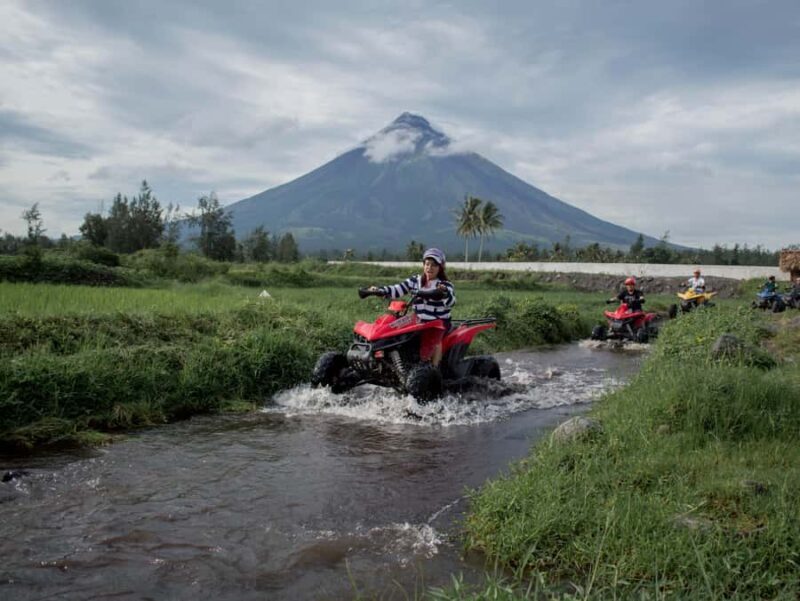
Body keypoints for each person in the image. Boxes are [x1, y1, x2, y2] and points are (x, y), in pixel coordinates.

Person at [369, 248, 455, 367]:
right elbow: (397, 289)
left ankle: (434, 369)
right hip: (418, 320)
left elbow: (451, 302)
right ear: (423, 265)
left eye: (434, 265)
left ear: (440, 267)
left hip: (438, 322)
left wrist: (443, 293)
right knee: (393, 329)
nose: (429, 268)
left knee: (435, 334)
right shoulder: (415, 281)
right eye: (427, 264)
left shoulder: (444, 284)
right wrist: (379, 290)